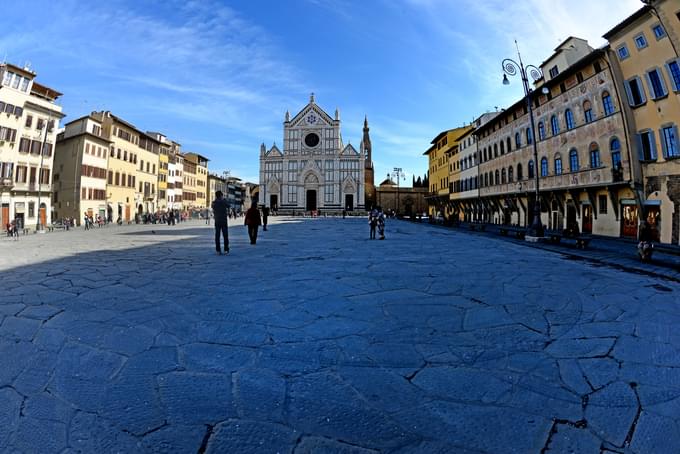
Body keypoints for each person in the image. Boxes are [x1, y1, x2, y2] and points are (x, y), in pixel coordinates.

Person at [211, 191, 229, 255]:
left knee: (217, 236)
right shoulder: (224, 202)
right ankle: (226, 249)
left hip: (217, 221)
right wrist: (224, 200)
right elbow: (228, 206)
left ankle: (218, 250)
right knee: (225, 236)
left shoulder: (214, 203)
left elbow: (212, 207)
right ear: (221, 195)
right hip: (224, 221)